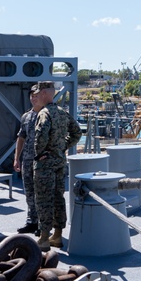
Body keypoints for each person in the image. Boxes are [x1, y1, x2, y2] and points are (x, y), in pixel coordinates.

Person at [32, 80, 82, 250]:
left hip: (45, 164)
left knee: (44, 199)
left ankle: (44, 238)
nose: (37, 96)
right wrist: (62, 147)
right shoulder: (62, 112)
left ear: (45, 93)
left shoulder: (44, 113)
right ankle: (58, 235)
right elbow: (77, 132)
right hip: (60, 161)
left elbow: (41, 136)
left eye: (39, 93)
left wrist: (39, 154)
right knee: (58, 198)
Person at [13, 85, 45, 234]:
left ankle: (43, 224)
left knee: (42, 193)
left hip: (42, 161)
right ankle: (31, 221)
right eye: (31, 95)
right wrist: (16, 158)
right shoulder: (26, 116)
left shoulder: (48, 115)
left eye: (36, 95)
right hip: (27, 160)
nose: (33, 98)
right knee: (29, 192)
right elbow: (21, 137)